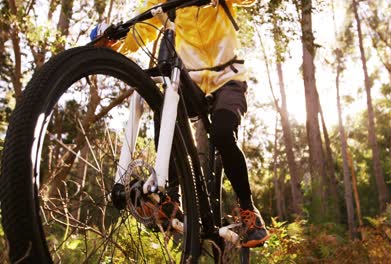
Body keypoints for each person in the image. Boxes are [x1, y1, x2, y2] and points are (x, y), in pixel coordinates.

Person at [95, 0, 269, 248]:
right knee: (164, 109)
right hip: (192, 81)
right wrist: (114, 43)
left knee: (222, 132)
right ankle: (170, 200)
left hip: (228, 78)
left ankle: (249, 211)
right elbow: (142, 28)